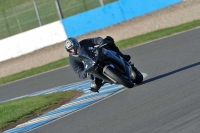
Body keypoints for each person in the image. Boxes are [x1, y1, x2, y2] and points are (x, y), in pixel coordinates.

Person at [64, 36, 131, 92]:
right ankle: (103, 80)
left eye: (74, 47)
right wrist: (84, 73)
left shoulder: (84, 43)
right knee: (94, 86)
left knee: (109, 41)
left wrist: (101, 42)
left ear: (76, 44)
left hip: (98, 56)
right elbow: (78, 70)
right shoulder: (71, 59)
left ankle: (122, 56)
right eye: (71, 49)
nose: (73, 50)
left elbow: (94, 40)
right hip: (91, 68)